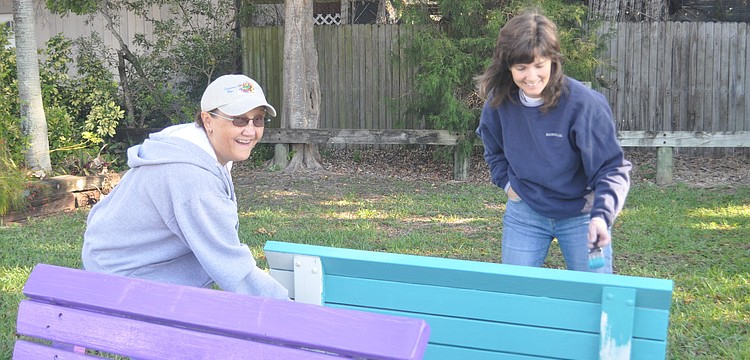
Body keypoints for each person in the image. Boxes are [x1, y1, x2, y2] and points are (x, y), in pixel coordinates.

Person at [82, 74, 289, 299]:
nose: (250, 131)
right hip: (125, 282)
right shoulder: (194, 178)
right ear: (208, 120)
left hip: (112, 264)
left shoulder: (192, 146)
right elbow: (229, 265)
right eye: (238, 119)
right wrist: (288, 307)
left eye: (257, 120)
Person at [474, 11, 631, 274]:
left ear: (553, 61)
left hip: (583, 215)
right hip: (525, 211)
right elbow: (493, 148)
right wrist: (506, 183)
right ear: (508, 66)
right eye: (521, 67)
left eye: (539, 65)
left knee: (595, 296)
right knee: (515, 294)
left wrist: (602, 217)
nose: (531, 76)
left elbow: (611, 169)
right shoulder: (498, 102)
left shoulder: (584, 105)